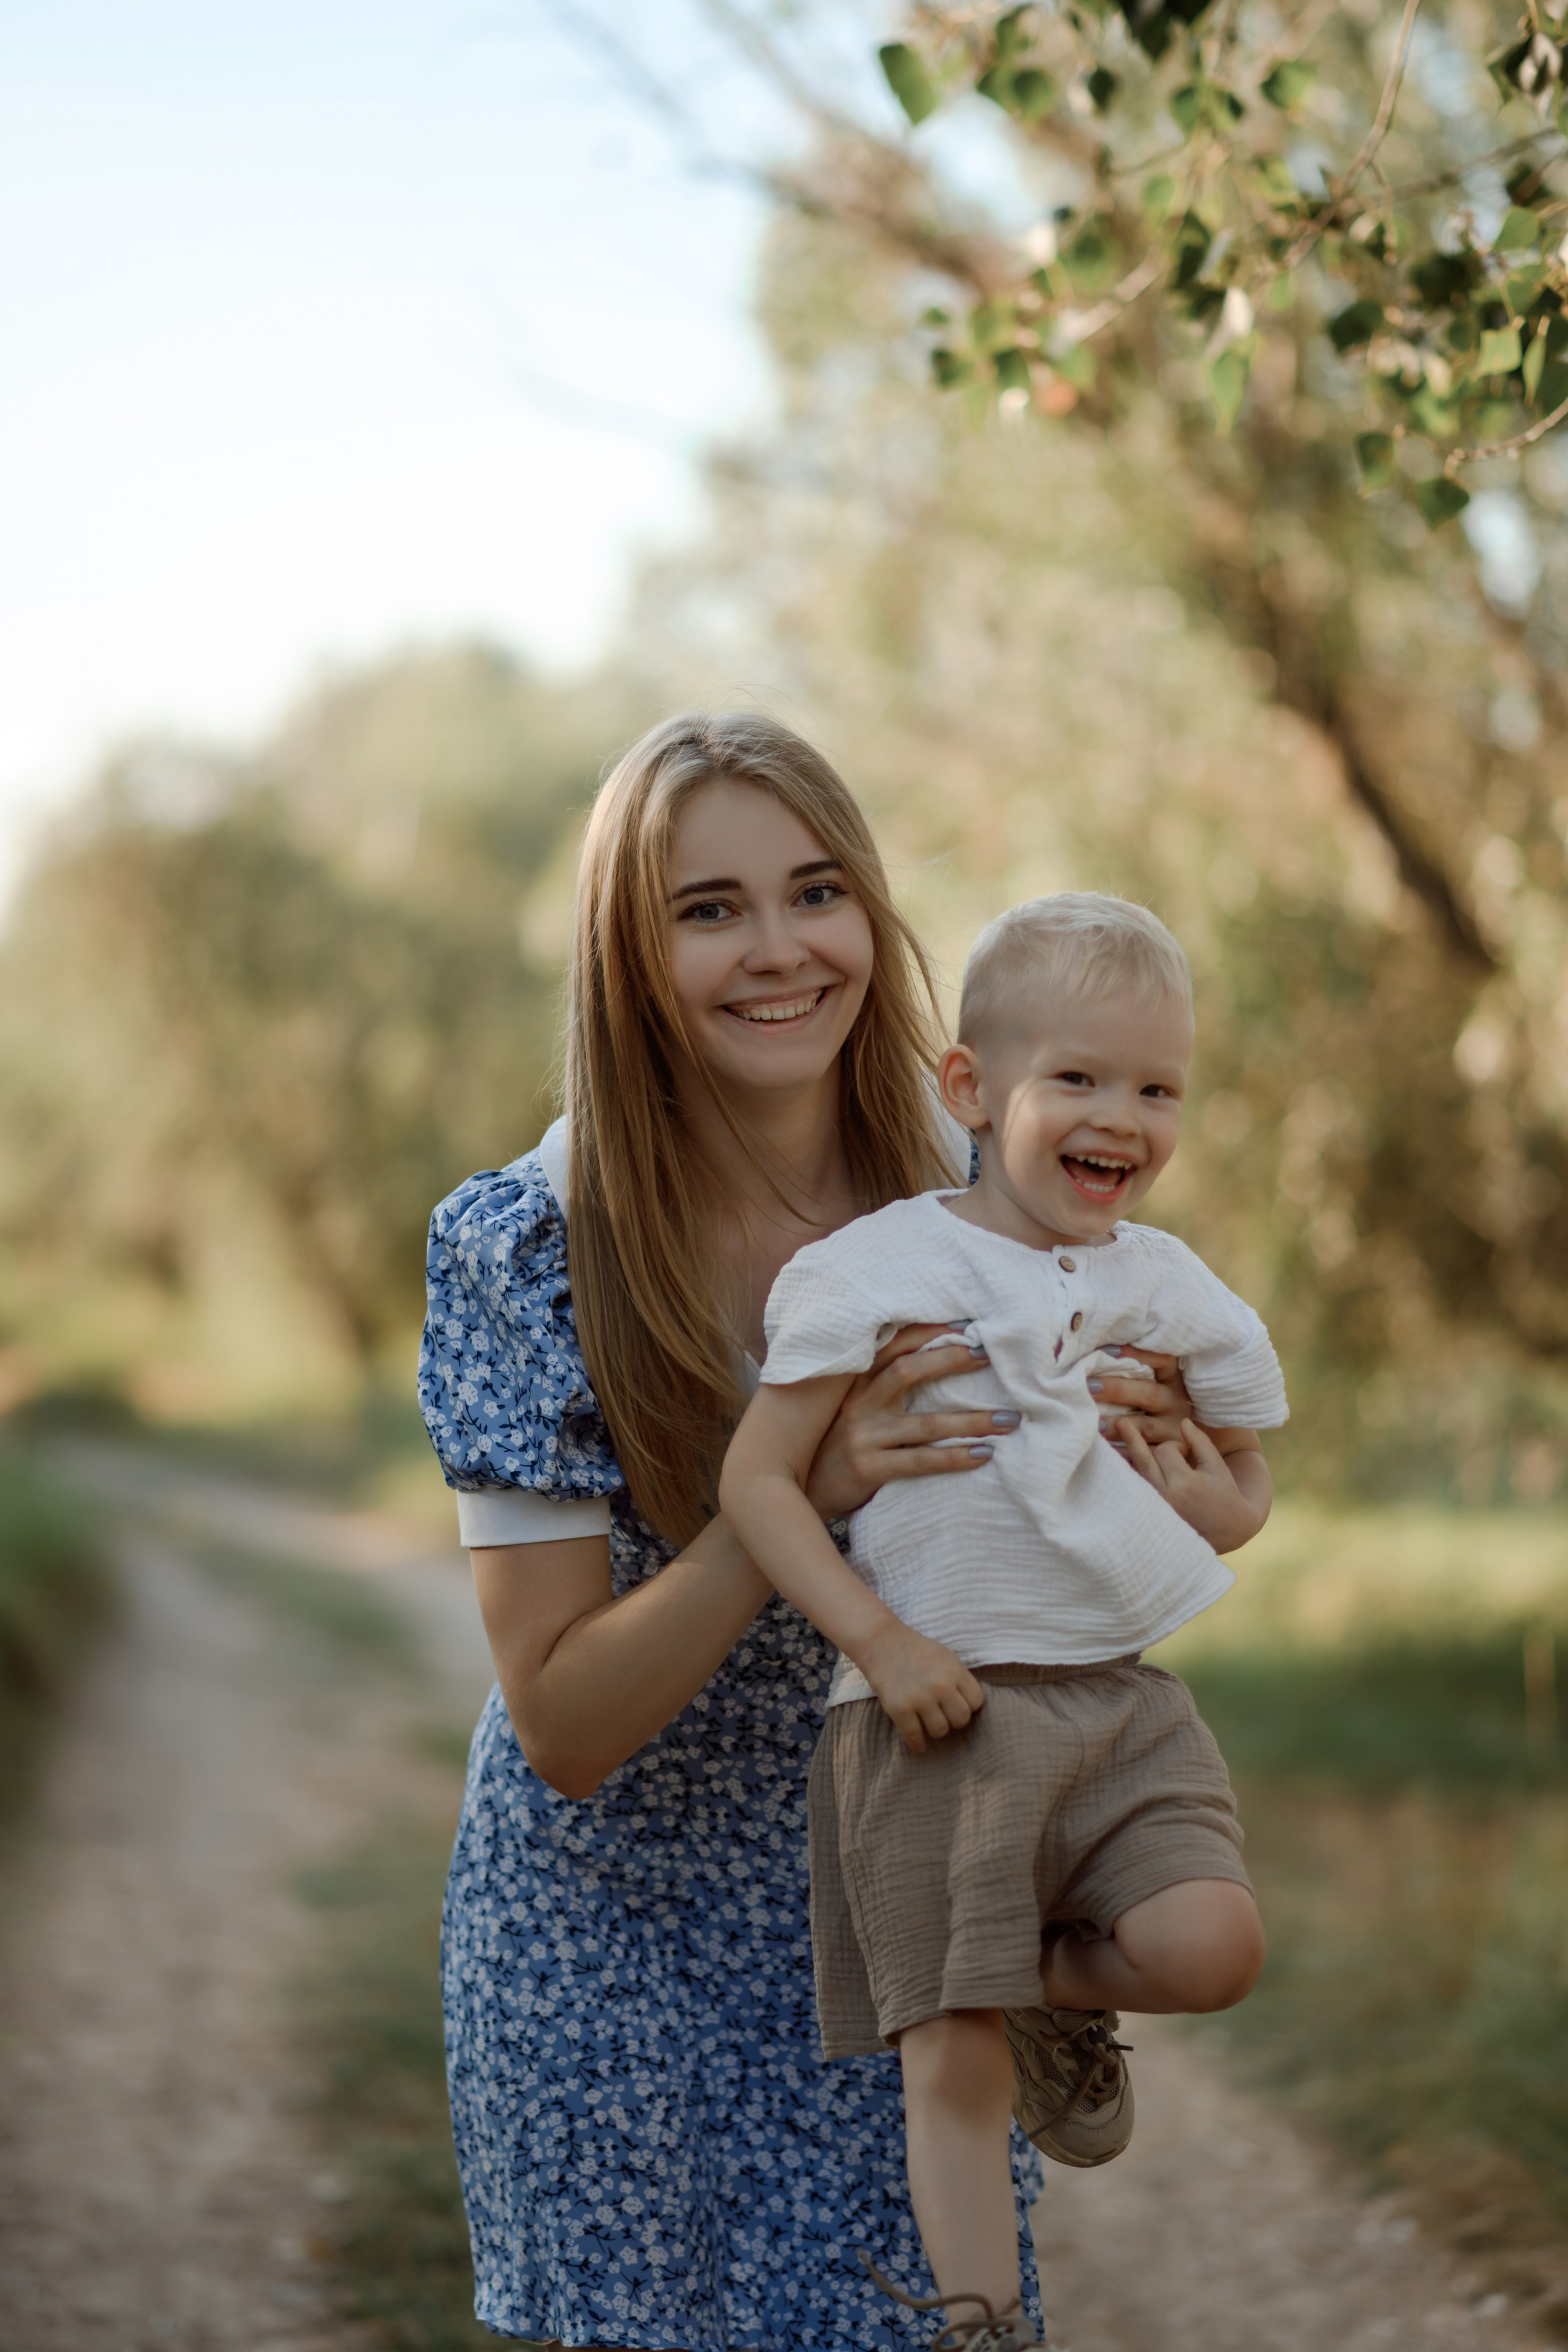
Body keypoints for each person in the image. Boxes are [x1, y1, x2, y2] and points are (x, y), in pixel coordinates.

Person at [418, 718, 1232, 2352]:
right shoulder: (529, 1248)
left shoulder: (995, 1201)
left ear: (873, 910)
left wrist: (1170, 1475)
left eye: (816, 892)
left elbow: (1111, 1515)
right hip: (615, 1952)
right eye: (707, 909)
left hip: (916, 1893)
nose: (779, 950)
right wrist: (798, 1492)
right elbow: (566, 1723)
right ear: (628, 956)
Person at [719, 894, 1286, 2350]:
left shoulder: (1168, 1287)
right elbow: (759, 1482)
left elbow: (1244, 1486)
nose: (1123, 1118)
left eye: (1156, 1088)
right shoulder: (877, 1269)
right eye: (1078, 1079)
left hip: (1118, 1702)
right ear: (970, 1089)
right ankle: (979, 2323)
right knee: (949, 2064)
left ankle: (1043, 1986)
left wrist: (1206, 1500)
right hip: (935, 1714)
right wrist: (879, 1642)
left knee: (1212, 1945)